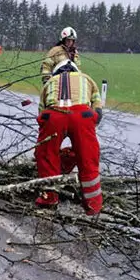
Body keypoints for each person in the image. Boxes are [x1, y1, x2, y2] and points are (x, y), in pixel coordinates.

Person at [34, 59, 103, 214]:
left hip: (53, 114)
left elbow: (41, 113)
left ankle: (49, 198)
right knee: (88, 159)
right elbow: (98, 107)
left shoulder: (49, 82)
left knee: (46, 156)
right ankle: (93, 206)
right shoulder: (86, 78)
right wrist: (91, 123)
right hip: (82, 115)